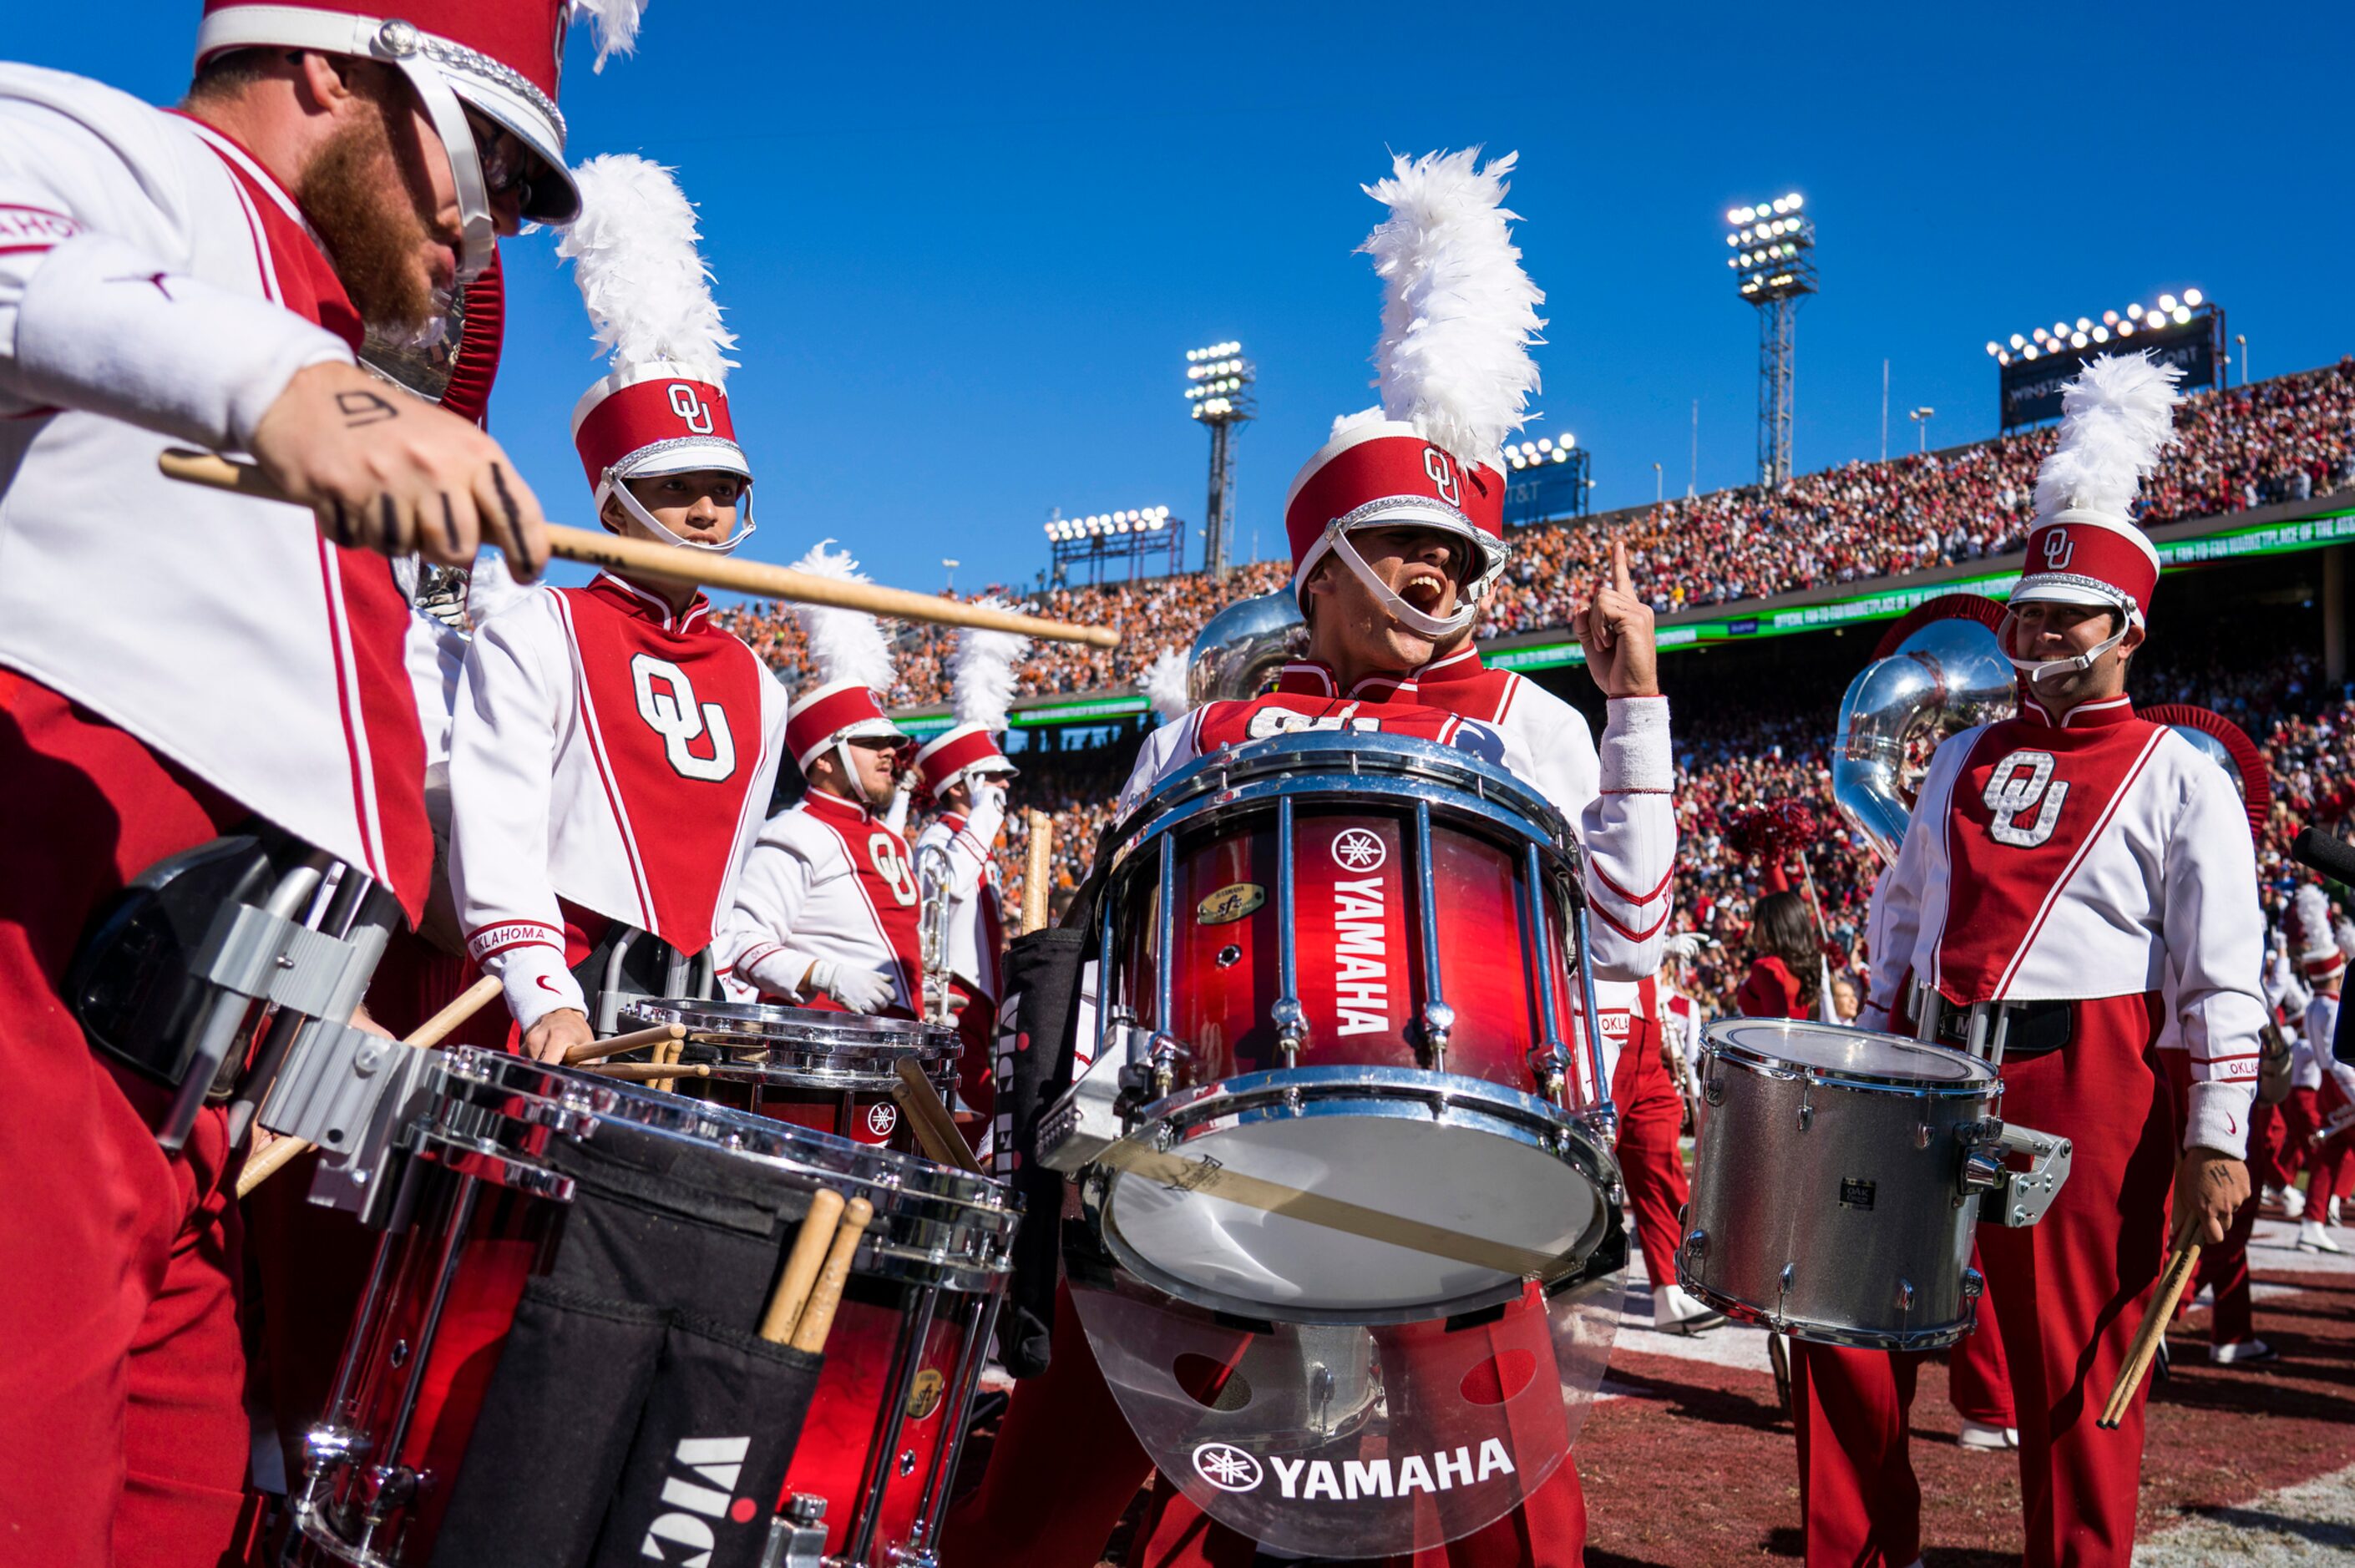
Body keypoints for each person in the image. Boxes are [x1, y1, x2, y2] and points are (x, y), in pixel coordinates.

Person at [950, 148, 1674, 1568]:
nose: (1439, 579)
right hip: (1217, 1156)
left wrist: (1638, 706)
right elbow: (1121, 931)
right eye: (1406, 546)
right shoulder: (1211, 723)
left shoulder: (1530, 716)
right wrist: (1099, 1105)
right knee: (1042, 1500)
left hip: (1451, 1153)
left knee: (1519, 1531)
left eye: (1462, 560)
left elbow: (1632, 924)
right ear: (1320, 565)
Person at [0, 2, 589, 1556]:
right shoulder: (120, 155)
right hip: (33, 1002)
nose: (488, 231)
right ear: (333, 66)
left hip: (184, 1107)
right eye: (491, 170)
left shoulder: (332, 348)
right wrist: (286, 380)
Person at [1813, 354, 2263, 1568]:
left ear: (2128, 627)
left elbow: (2224, 969)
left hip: (2088, 1075)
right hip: (1931, 1060)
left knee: (2072, 1364)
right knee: (1840, 1321)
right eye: (2027, 611)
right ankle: (1863, 1550)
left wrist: (2217, 1134)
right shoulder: (1958, 757)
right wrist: (1880, 1037)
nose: (2035, 632)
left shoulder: (2181, 770)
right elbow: (1903, 915)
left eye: (2065, 614)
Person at [448, 154, 788, 1061]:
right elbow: (501, 830)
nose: (708, 509)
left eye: (723, 486)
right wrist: (541, 990)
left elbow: (732, 876)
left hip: (691, 1007)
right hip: (549, 1001)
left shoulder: (761, 683)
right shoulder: (538, 631)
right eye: (676, 487)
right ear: (613, 504)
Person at [719, 544, 923, 1024]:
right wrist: (824, 975)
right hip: (822, 1055)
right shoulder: (795, 832)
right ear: (825, 761)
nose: (890, 752)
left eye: (891, 742)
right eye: (871, 742)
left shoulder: (889, 838)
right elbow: (740, 942)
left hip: (893, 1045)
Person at [909, 618, 1027, 1121]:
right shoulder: (939, 837)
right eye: (993, 780)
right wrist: (982, 819)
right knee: (962, 1113)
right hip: (951, 994)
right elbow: (948, 887)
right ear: (963, 786)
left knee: (985, 1109)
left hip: (980, 997)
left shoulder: (976, 842)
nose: (1004, 789)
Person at [1735, 889, 1818, 1020]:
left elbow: (1778, 1026)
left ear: (1773, 926)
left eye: (1757, 921)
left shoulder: (1766, 967)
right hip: (1801, 1037)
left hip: (1766, 1040)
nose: (1754, 928)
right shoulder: (1808, 963)